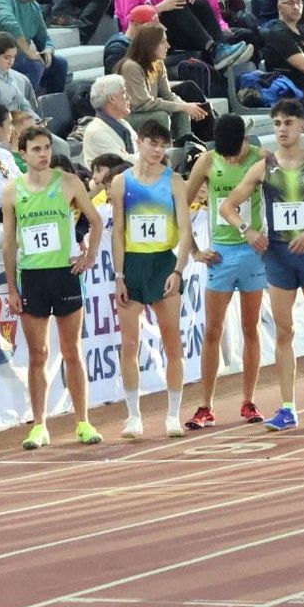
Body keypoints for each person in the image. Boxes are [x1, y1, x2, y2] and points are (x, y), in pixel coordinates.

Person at [220, 99, 304, 432]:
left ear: (302, 126)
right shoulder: (264, 168)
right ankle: (288, 406)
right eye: (276, 123)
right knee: (284, 331)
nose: (281, 129)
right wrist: (247, 230)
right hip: (278, 254)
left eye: (288, 122)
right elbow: (228, 207)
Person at [3, 127, 104, 450]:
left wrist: (89, 256)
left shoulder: (69, 183)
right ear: (23, 154)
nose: (43, 154)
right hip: (32, 277)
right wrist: (12, 288)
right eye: (36, 149)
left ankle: (83, 421)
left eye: (46, 147)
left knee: (72, 350)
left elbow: (96, 220)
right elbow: (8, 244)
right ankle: (39, 425)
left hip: (64, 274)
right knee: (38, 354)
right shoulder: (12, 191)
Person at [108, 121, 196, 440]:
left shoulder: (174, 182)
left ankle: (173, 414)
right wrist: (119, 275)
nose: (158, 150)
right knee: (129, 344)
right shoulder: (121, 182)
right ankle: (133, 416)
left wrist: (178, 270)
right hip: (133, 265)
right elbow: (117, 232)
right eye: (153, 144)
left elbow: (185, 229)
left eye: (163, 146)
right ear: (140, 143)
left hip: (163, 262)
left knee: (172, 340)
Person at [183, 115, 270, 427]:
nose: (232, 159)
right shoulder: (207, 161)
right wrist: (194, 249)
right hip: (221, 254)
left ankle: (249, 401)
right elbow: (183, 203)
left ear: (246, 141)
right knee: (212, 330)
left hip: (253, 253)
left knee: (251, 327)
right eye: (227, 154)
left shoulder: (262, 159)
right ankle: (205, 406)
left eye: (236, 153)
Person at [117, 24, 209, 143]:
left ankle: (186, 148)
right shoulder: (130, 67)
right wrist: (183, 106)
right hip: (129, 116)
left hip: (147, 111)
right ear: (150, 45)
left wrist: (187, 106)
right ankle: (165, 152)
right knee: (161, 116)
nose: (168, 46)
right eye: (163, 42)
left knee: (182, 111)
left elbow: (168, 95)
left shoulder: (158, 64)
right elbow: (144, 104)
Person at [81, 74, 140, 170]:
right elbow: (125, 165)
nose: (129, 97)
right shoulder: (97, 132)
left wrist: (140, 155)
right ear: (111, 99)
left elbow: (142, 152)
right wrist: (141, 155)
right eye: (124, 93)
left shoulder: (123, 123)